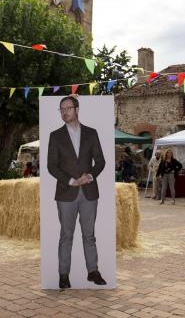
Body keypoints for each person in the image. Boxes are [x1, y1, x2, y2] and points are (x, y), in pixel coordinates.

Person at [47, 96, 107, 289]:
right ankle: (63, 275)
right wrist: (72, 181)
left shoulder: (91, 133)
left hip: (89, 191)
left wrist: (90, 175)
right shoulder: (55, 136)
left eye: (68, 108)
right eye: (62, 109)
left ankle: (93, 271)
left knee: (89, 235)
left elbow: (100, 161)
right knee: (66, 235)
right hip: (66, 193)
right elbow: (51, 166)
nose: (65, 112)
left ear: (77, 109)